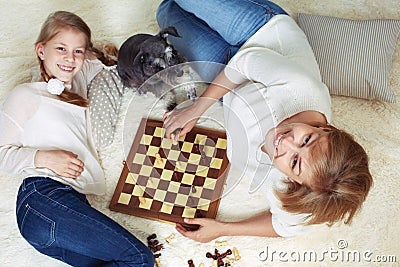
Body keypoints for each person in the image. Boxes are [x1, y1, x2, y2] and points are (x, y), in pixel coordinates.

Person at [156, 0, 373, 242]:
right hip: (259, 34)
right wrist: (196, 109)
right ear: (327, 129)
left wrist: (222, 229)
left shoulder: (292, 189)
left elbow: (284, 227)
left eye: (294, 162)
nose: (287, 141)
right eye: (307, 139)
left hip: (231, 88)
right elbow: (245, 62)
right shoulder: (300, 89)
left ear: (296, 183)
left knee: (165, 12)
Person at [0, 11, 154, 266]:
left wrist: (98, 53)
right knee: (138, 258)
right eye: (60, 48)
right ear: (41, 50)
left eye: (77, 51)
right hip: (42, 197)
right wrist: (44, 157)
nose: (69, 58)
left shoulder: (78, 83)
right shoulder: (26, 94)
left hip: (68, 208)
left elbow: (107, 64)